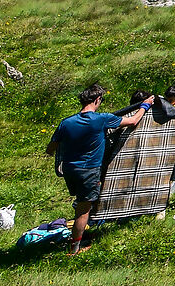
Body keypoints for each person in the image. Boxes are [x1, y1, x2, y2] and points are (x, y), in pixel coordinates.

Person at [46, 84, 143, 255]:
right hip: (88, 171)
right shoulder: (101, 119)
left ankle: (81, 230)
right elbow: (133, 121)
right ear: (97, 100)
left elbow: (51, 148)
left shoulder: (66, 123)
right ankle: (74, 248)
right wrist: (145, 105)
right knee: (83, 210)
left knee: (82, 202)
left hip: (70, 170)